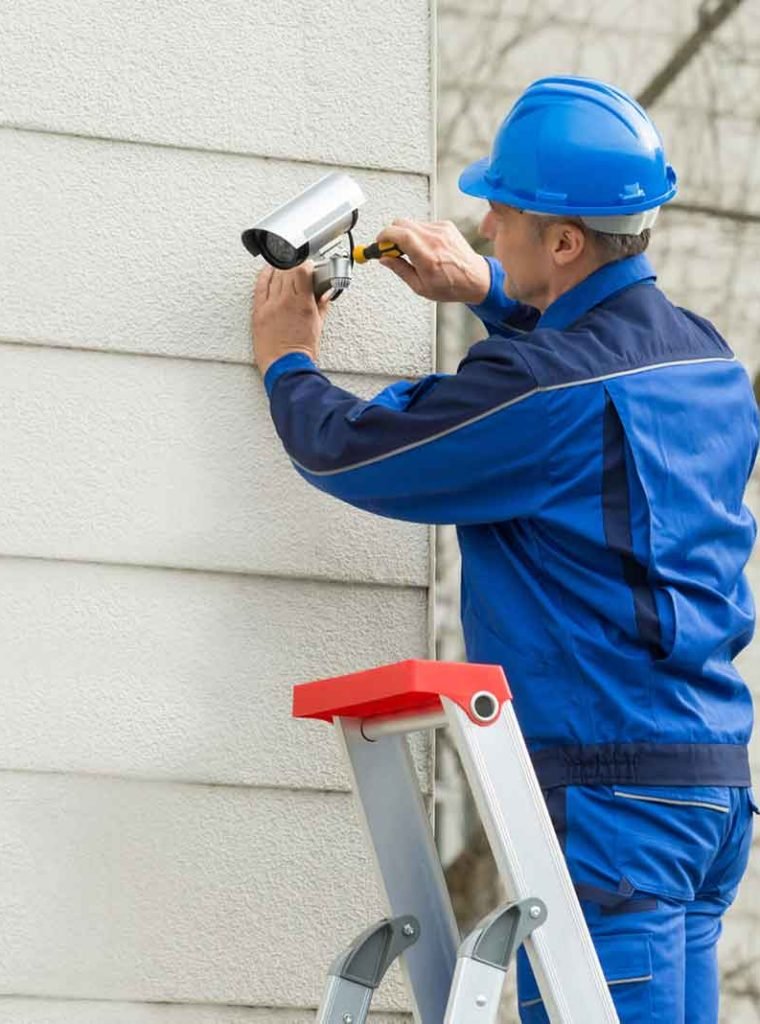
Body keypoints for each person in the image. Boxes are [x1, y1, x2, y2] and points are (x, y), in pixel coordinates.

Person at [251, 76, 759, 1023]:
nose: (484, 227)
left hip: (614, 805)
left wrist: (290, 361)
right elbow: (592, 383)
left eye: (502, 213)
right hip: (706, 793)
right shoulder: (708, 362)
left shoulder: (546, 391)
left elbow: (358, 448)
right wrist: (489, 292)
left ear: (563, 240)